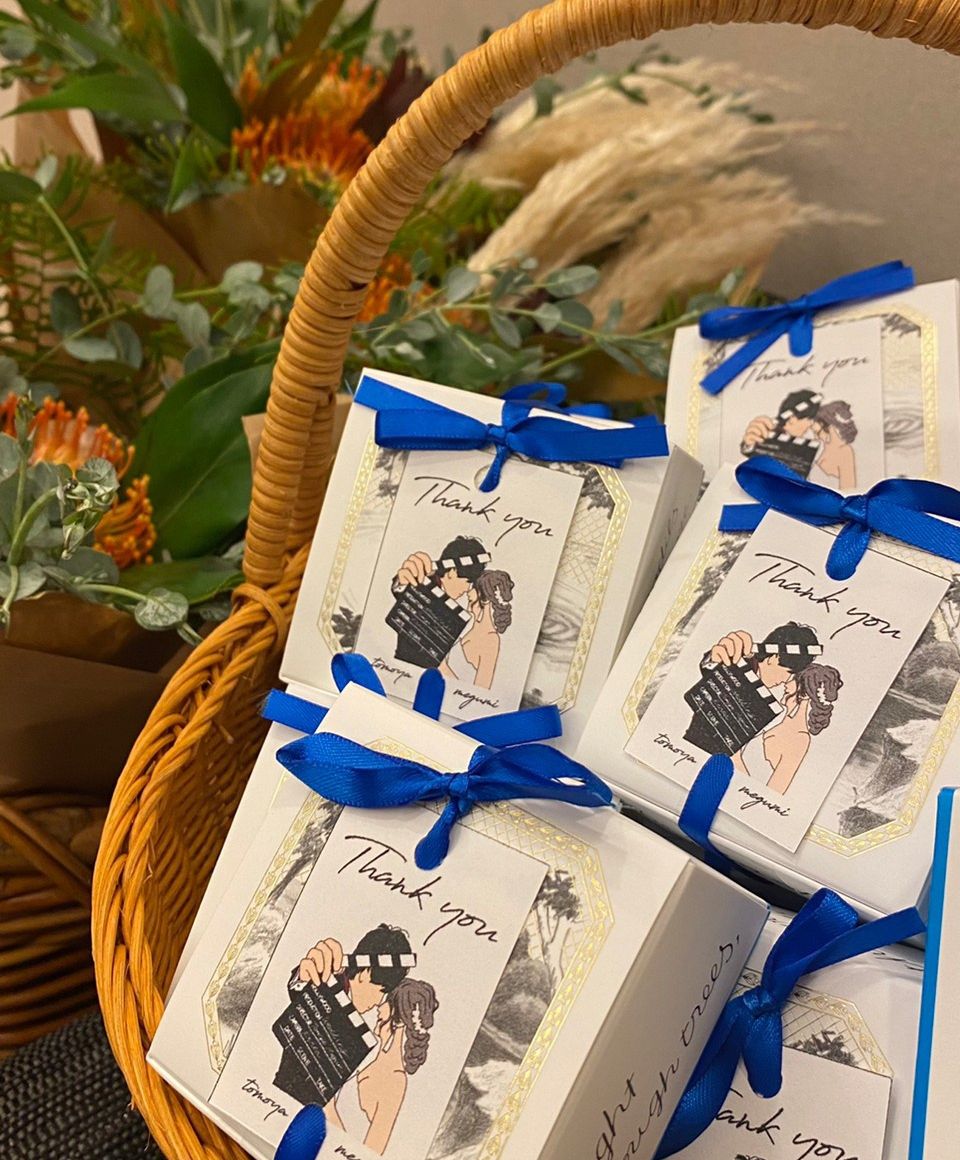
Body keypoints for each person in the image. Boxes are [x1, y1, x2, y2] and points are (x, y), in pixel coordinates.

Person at [273, 925, 413, 1109]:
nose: (379, 1002)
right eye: (381, 991)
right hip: (282, 1093)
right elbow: (301, 985)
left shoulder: (364, 1027)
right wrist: (303, 976)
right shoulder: (327, 981)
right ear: (365, 973)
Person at [333, 977, 439, 1155]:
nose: (378, 1007)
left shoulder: (395, 1080)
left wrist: (327, 1108)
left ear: (399, 1020)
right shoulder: (366, 1058)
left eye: (386, 1000)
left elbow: (370, 1153)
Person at [684, 622, 823, 754]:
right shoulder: (737, 662)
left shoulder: (770, 699)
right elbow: (711, 665)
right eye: (788, 672)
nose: (785, 680)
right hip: (693, 743)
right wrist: (714, 658)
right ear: (774, 658)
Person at [733, 662, 842, 794]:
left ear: (805, 694)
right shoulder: (775, 721)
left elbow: (773, 793)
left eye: (793, 679)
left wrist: (734, 757)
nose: (786, 683)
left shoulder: (800, 739)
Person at [389, 537, 489, 669]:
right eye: (467, 581)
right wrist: (402, 581)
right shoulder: (423, 582)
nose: (467, 589)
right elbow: (401, 588)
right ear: (452, 572)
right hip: (402, 666)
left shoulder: (460, 609)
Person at [441, 568, 514, 689]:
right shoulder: (468, 630)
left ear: (485, 601)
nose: (468, 608)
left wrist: (442, 667)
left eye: (470, 601)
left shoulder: (491, 640)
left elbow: (481, 689)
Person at [740, 389, 823, 455]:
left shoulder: (806, 442)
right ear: (792, 419)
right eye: (809, 419)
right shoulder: (767, 435)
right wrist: (749, 445)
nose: (811, 424)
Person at [812, 400, 858, 489]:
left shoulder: (845, 451)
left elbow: (848, 487)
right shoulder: (824, 447)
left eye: (817, 432)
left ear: (831, 428)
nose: (816, 438)